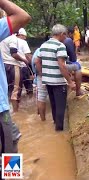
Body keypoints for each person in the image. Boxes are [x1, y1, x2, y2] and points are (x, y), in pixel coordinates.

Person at [0, 0, 31, 162]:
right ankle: (12, 177)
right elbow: (23, 16)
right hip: (14, 67)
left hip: (5, 68)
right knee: (11, 144)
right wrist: (26, 61)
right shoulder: (13, 39)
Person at [38, 24, 75, 131]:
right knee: (61, 107)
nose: (66, 38)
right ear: (62, 34)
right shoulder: (60, 46)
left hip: (47, 81)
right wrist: (70, 81)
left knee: (54, 105)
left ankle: (55, 124)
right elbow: (62, 65)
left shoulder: (44, 45)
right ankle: (59, 130)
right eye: (66, 35)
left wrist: (42, 74)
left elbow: (37, 61)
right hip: (58, 82)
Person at [0, 33, 29, 113]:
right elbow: (14, 54)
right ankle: (16, 114)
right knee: (15, 91)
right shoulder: (12, 38)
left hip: (3, 66)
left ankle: (6, 113)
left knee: (5, 90)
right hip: (13, 66)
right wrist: (24, 60)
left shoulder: (2, 36)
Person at [64, 27, 83, 97]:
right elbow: (73, 58)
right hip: (61, 65)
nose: (74, 36)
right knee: (78, 66)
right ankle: (78, 91)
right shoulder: (68, 40)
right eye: (73, 34)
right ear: (69, 34)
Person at [16, 28, 33, 97]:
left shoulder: (9, 40)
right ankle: (30, 99)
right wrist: (32, 70)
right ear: (21, 35)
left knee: (16, 88)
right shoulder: (23, 42)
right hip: (23, 66)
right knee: (28, 86)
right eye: (24, 36)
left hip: (12, 67)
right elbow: (28, 55)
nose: (25, 38)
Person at [32, 48, 47, 121]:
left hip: (39, 75)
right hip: (52, 74)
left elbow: (34, 62)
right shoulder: (57, 47)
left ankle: (42, 119)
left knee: (41, 96)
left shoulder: (38, 50)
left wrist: (39, 74)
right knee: (54, 95)